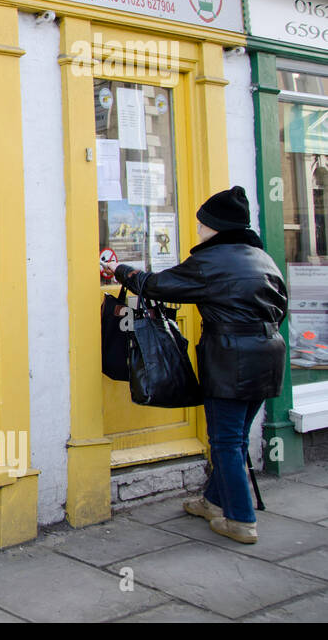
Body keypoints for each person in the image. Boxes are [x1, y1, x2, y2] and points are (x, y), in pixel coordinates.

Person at [102, 186, 288, 544]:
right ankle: (213, 500)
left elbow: (157, 285)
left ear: (215, 227)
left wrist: (120, 270)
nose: (198, 230)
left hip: (230, 360)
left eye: (202, 224)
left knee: (225, 442)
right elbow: (281, 308)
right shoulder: (262, 258)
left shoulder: (211, 260)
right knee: (234, 438)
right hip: (269, 356)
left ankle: (240, 520)